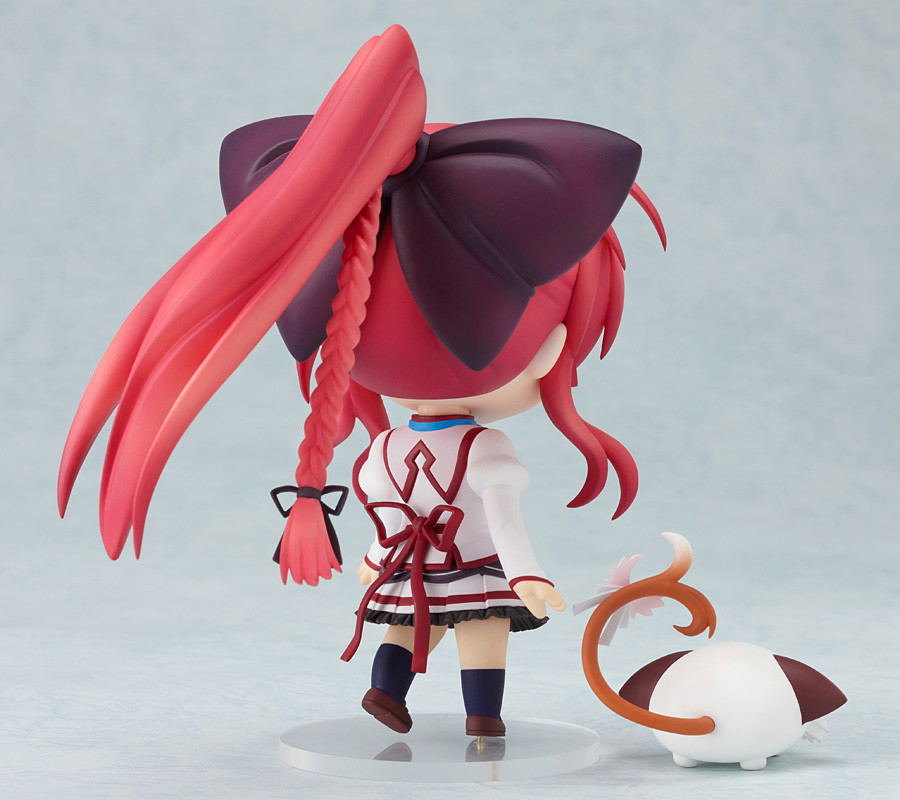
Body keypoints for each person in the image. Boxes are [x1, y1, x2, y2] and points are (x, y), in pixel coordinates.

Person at [58, 25, 665, 737]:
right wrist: (526, 574)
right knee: (481, 633)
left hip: (409, 567)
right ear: (550, 352)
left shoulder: (379, 452)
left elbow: (385, 514)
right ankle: (481, 720)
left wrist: (378, 559)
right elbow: (501, 520)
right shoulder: (487, 452)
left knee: (407, 627)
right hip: (471, 565)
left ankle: (392, 694)